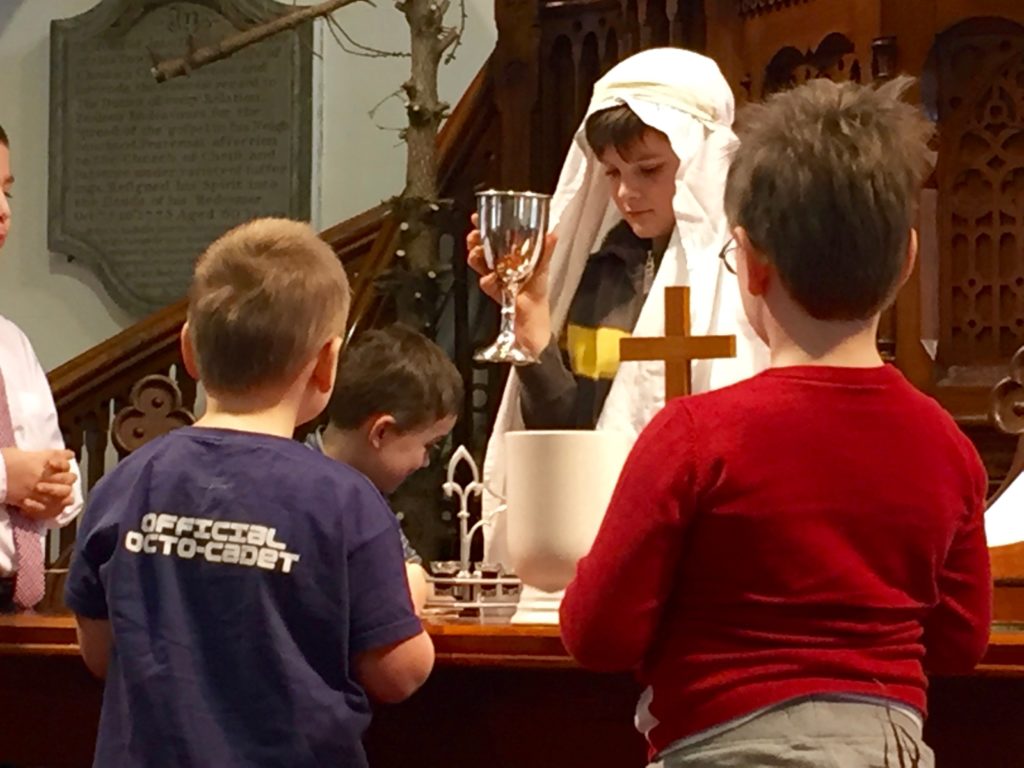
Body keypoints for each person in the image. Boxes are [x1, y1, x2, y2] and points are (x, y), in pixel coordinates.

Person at [560, 78, 992, 768]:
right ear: (908, 259)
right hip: (890, 747)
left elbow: (597, 633)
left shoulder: (695, 436)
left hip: (722, 750)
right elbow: (961, 643)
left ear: (751, 263)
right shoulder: (946, 445)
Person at [65, 218, 434, 768]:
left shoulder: (124, 483)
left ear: (188, 349)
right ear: (328, 363)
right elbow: (399, 674)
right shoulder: (347, 501)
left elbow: (99, 653)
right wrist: (408, 596)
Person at [467, 50, 769, 563]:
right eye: (610, 173)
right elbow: (577, 429)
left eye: (650, 170)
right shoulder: (601, 272)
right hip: (606, 533)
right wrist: (535, 335)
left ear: (701, 162)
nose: (627, 193)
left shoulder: (748, 273)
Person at [307, 323, 463, 612]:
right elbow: (398, 592)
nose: (426, 461)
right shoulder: (324, 497)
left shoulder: (366, 494)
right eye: (429, 445)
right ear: (381, 432)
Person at [0, 123, 82, 612]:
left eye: (6, 190)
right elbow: (14, 473)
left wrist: (57, 491)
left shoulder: (10, 342)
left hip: (15, 611)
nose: (3, 211)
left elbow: (51, 463)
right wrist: (7, 477)